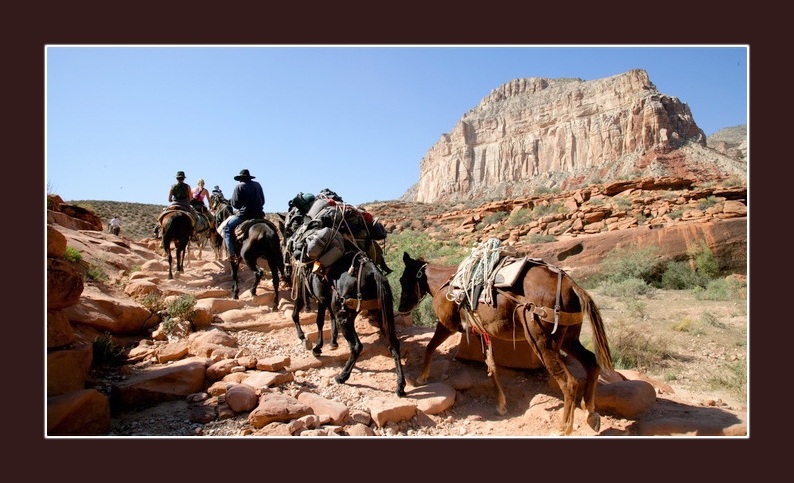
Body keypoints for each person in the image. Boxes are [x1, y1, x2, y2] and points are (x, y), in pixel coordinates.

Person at [223, 169, 265, 261]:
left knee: (226, 228)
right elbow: (263, 200)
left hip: (244, 215)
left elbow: (235, 204)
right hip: (259, 215)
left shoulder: (238, 186)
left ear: (241, 178)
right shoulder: (257, 185)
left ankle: (231, 254)